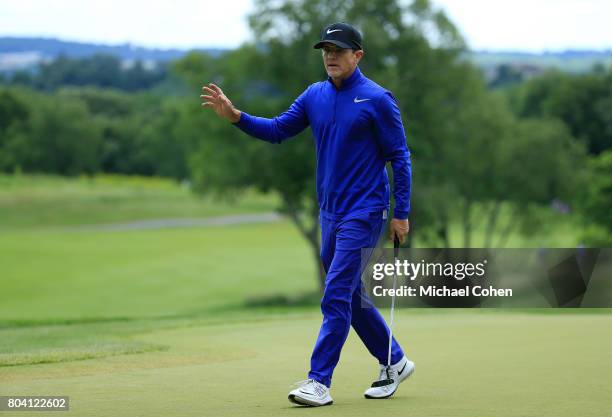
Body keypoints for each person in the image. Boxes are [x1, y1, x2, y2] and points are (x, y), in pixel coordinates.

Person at [201, 22, 414, 406]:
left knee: (334, 293)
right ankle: (394, 361)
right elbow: (279, 129)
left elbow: (399, 157)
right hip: (330, 213)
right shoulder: (314, 95)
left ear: (358, 55)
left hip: (365, 212)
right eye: (326, 50)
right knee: (349, 296)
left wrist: (402, 212)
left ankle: (319, 381)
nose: (330, 56)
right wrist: (237, 117)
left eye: (338, 50)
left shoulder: (377, 99)